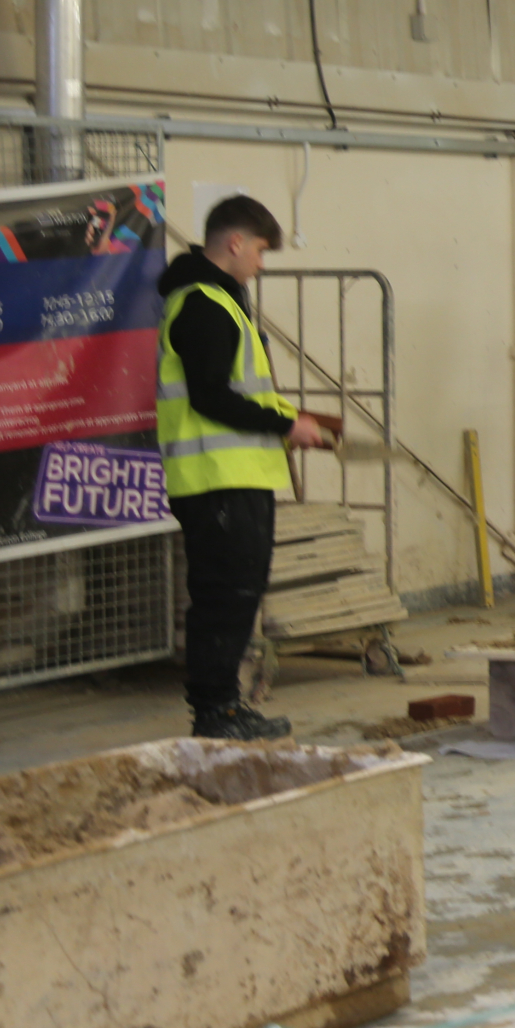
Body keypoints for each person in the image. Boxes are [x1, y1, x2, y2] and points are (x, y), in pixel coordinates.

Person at [157, 194, 336, 739]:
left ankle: (226, 706)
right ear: (234, 243)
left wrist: (292, 419)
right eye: (259, 251)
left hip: (237, 478)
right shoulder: (205, 305)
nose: (260, 264)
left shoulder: (223, 302)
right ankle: (215, 711)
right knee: (225, 597)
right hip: (216, 481)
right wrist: (285, 426)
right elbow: (211, 396)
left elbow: (240, 391)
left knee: (239, 594)